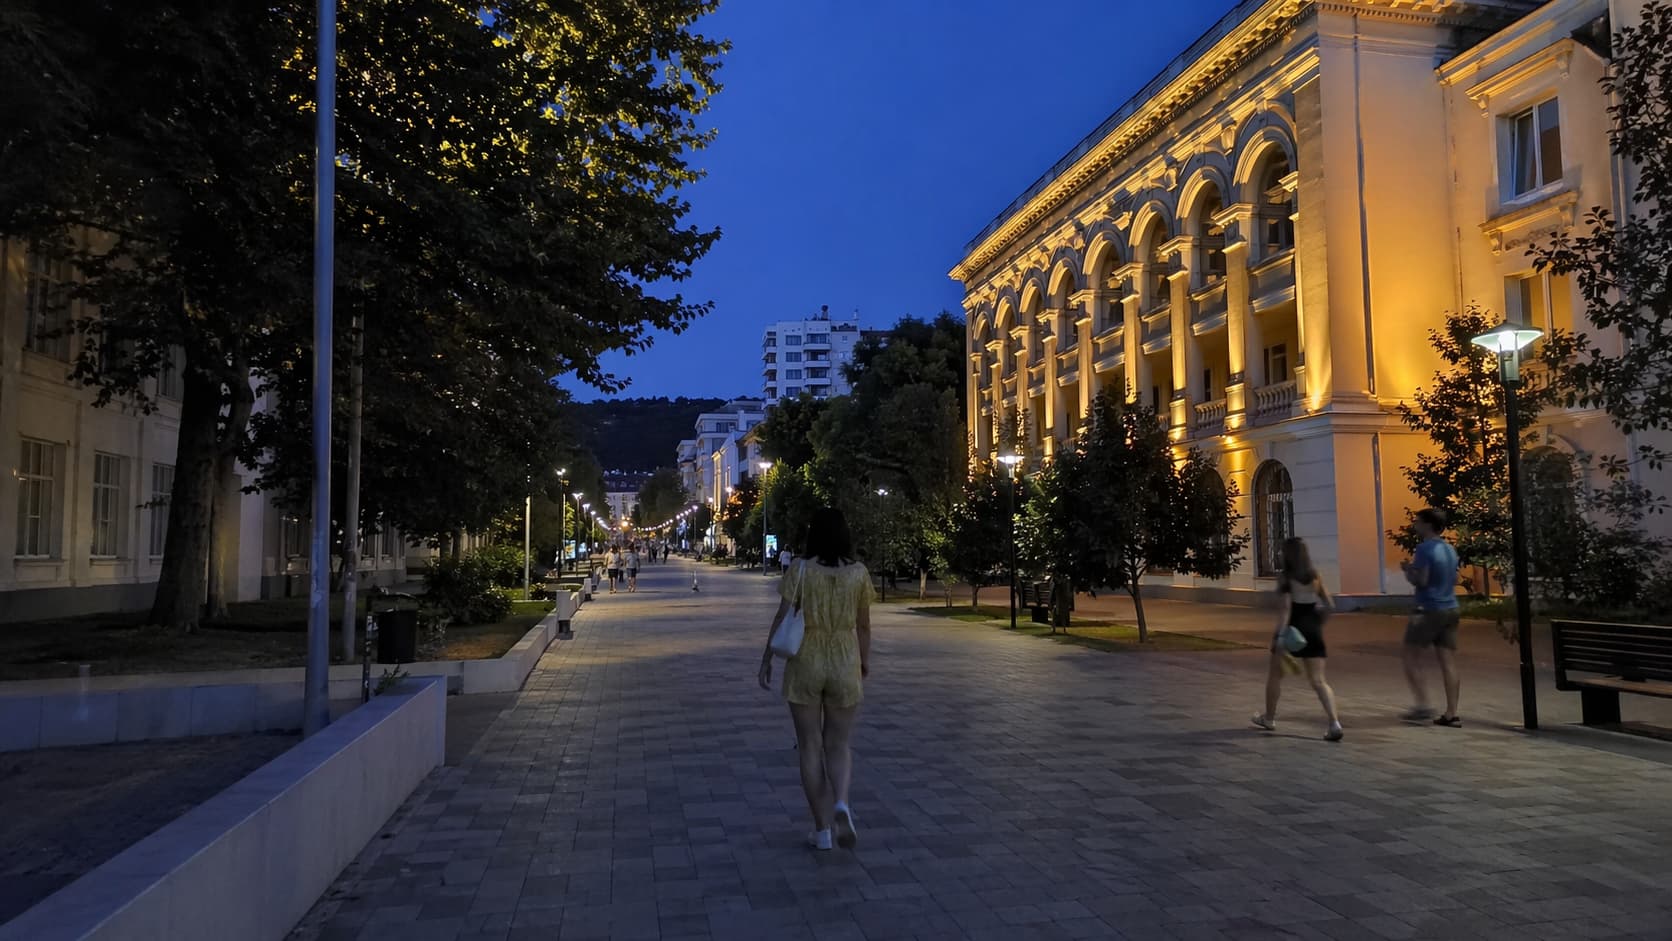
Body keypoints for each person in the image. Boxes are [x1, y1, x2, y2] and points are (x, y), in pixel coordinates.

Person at [758, 507, 873, 851]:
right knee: (838, 743)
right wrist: (863, 662)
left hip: (806, 659)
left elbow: (782, 615)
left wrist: (766, 658)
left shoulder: (800, 570)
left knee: (809, 745)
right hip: (843, 660)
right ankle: (841, 802)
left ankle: (821, 829)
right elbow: (864, 625)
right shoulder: (859, 574)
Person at [1252, 537, 1343, 742]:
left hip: (1291, 631)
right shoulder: (1315, 576)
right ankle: (1334, 722)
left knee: (1275, 676)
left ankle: (1269, 718)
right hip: (1313, 631)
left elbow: (1286, 610)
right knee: (1319, 681)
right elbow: (1330, 606)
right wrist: (1318, 623)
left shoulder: (1286, 578)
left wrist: (1280, 637)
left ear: (1288, 556)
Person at [1402, 507, 1462, 726]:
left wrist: (1408, 570)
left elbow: (1422, 581)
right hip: (1451, 608)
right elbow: (1454, 579)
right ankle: (1451, 713)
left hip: (1428, 608)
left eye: (1418, 521)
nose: (1415, 524)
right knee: (1447, 661)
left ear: (1428, 524)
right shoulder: (1450, 549)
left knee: (1410, 656)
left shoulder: (1425, 549)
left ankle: (1422, 704)